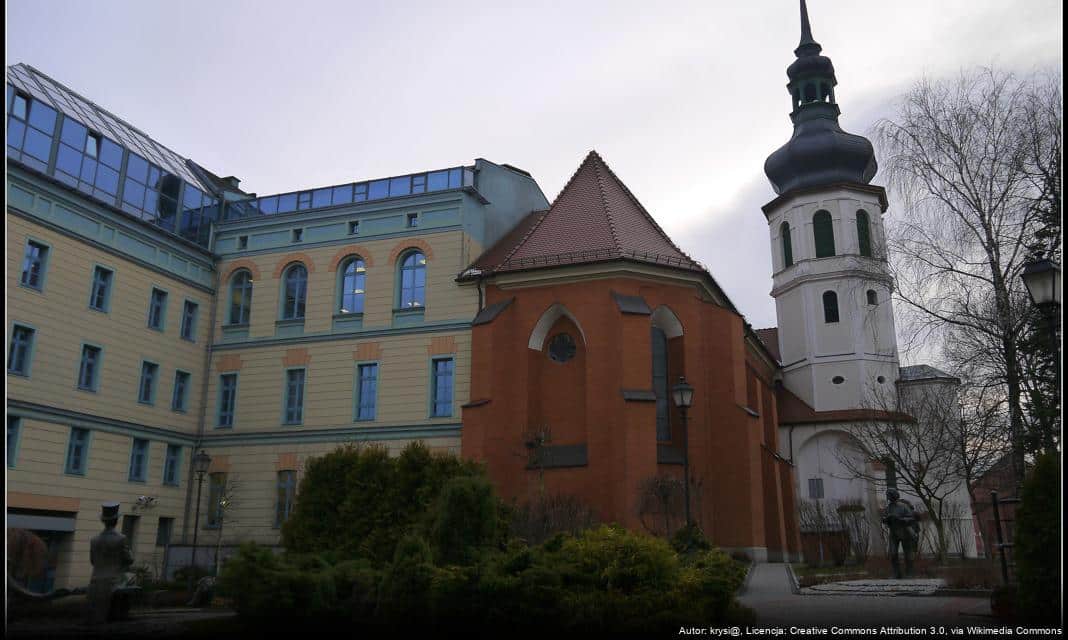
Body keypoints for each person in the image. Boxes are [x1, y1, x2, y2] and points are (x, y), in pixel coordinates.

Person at [87, 502, 134, 624]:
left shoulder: (94, 540)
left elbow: (92, 561)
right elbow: (129, 559)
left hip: (95, 581)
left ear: (103, 521)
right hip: (115, 581)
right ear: (116, 521)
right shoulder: (121, 539)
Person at [882, 488, 919, 579]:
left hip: (904, 532)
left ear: (894, 495)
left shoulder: (903, 506)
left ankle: (910, 573)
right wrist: (886, 519)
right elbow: (884, 518)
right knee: (893, 553)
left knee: (907, 554)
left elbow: (911, 518)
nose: (888, 497)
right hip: (893, 533)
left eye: (889, 495)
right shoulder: (888, 507)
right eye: (887, 496)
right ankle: (896, 573)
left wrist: (900, 519)